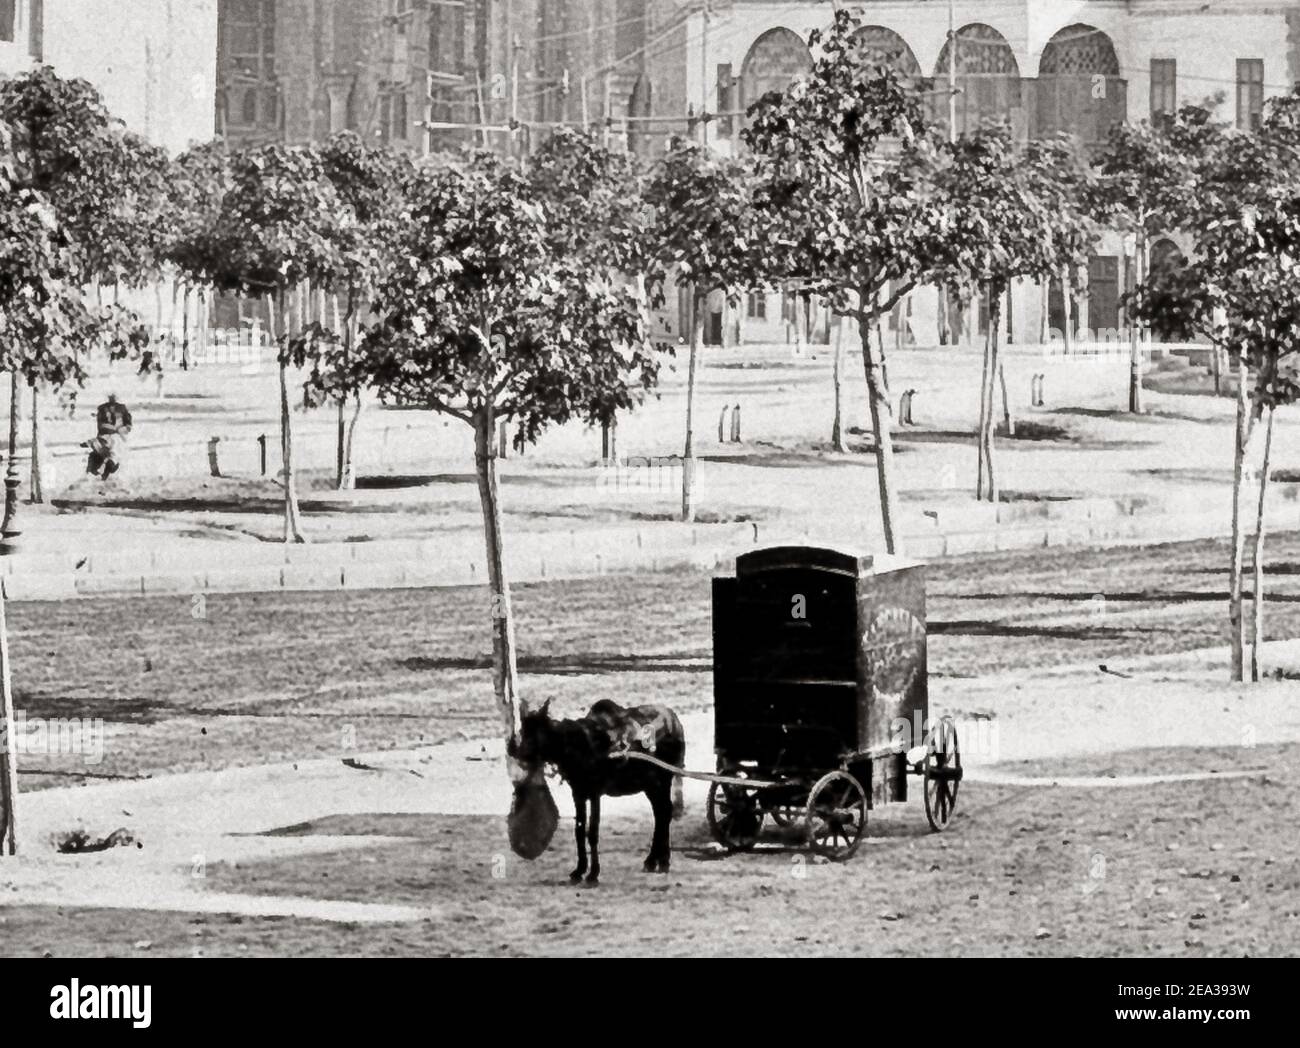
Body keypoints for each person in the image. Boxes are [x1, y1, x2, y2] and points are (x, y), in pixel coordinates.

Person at [85, 393, 133, 480]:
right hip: (105, 436)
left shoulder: (122, 409)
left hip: (117, 437)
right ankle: (95, 470)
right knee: (100, 451)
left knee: (113, 452)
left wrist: (122, 429)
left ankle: (108, 469)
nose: (112, 399)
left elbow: (128, 425)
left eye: (114, 397)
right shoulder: (102, 409)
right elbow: (100, 425)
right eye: (111, 397)